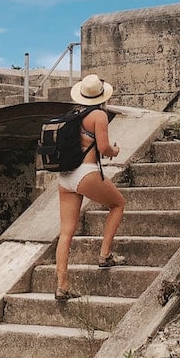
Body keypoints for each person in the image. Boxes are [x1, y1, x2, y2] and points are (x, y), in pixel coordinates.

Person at [54, 73, 127, 301]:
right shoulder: (98, 115)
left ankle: (62, 286)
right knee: (118, 204)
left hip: (64, 177)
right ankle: (105, 254)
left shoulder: (71, 115)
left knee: (66, 232)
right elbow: (104, 148)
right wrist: (114, 151)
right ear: (101, 96)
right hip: (86, 172)